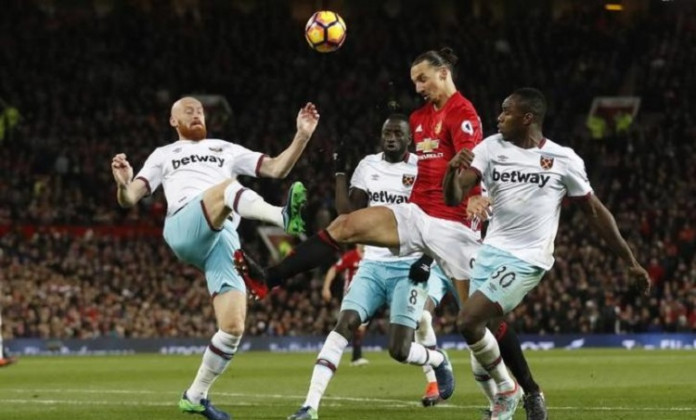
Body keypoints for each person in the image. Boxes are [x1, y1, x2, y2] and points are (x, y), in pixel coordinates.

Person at [236, 49, 547, 418]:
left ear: (444, 73)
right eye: (414, 81)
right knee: (345, 226)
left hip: (454, 227)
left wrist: (475, 197)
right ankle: (267, 279)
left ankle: (522, 389)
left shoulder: (463, 113)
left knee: (480, 321)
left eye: (423, 79)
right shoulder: (417, 119)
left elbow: (471, 162)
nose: (418, 88)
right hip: (415, 214)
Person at [443, 87, 651, 420]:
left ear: (527, 118)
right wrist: (452, 171)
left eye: (506, 111)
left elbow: (596, 212)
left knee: (468, 321)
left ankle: (509, 393)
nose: (498, 117)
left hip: (528, 257)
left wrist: (631, 262)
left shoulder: (563, 159)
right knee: (489, 331)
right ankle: (533, 392)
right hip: (490, 251)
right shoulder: (489, 148)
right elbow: (454, 197)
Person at [111, 96, 319, 420]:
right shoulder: (164, 155)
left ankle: (195, 395)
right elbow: (129, 199)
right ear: (172, 121)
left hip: (222, 238)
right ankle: (282, 216)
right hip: (184, 225)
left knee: (233, 327)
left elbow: (277, 167)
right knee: (226, 189)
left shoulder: (226, 149)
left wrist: (303, 135)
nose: (196, 114)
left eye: (200, 111)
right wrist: (123, 184)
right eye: (187, 111)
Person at [287, 113, 454, 420]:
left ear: (408, 139)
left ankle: (436, 359)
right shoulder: (368, 165)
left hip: (408, 265)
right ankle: (310, 406)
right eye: (386, 132)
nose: (390, 137)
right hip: (373, 264)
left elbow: (435, 219)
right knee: (345, 323)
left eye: (397, 133)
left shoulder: (421, 168)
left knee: (400, 350)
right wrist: (340, 171)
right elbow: (347, 215)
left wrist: (427, 259)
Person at [321, 244, 370, 367]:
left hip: (368, 296)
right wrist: (326, 287)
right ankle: (354, 357)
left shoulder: (372, 256)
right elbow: (333, 269)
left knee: (360, 328)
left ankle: (354, 357)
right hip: (351, 296)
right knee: (355, 326)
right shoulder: (350, 256)